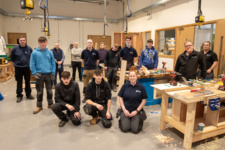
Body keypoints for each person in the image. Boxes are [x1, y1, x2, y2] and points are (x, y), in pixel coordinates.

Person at [118, 66, 147, 134]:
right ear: (129, 77)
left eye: (134, 76)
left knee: (135, 130)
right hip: (126, 110)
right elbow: (120, 97)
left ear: (137, 76)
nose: (132, 78)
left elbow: (144, 101)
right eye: (131, 76)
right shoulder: (125, 86)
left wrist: (136, 111)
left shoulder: (141, 87)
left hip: (136, 111)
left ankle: (138, 120)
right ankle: (122, 119)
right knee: (125, 129)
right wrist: (124, 110)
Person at [30, 36, 56, 114]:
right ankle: (39, 106)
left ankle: (50, 104)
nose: (43, 44)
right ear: (38, 43)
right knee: (39, 92)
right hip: (39, 75)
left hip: (49, 74)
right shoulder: (34, 53)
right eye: (41, 42)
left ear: (46, 43)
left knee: (50, 91)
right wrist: (34, 73)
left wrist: (53, 73)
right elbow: (32, 64)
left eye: (44, 42)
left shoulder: (50, 52)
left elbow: (53, 63)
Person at [10, 36, 34, 103]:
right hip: (18, 68)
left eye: (23, 40)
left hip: (27, 67)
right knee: (19, 82)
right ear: (19, 41)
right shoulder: (15, 49)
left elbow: (32, 57)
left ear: (25, 41)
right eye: (21, 40)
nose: (22, 41)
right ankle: (19, 96)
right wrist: (16, 63)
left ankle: (28, 94)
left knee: (27, 81)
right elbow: (12, 58)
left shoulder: (29, 48)